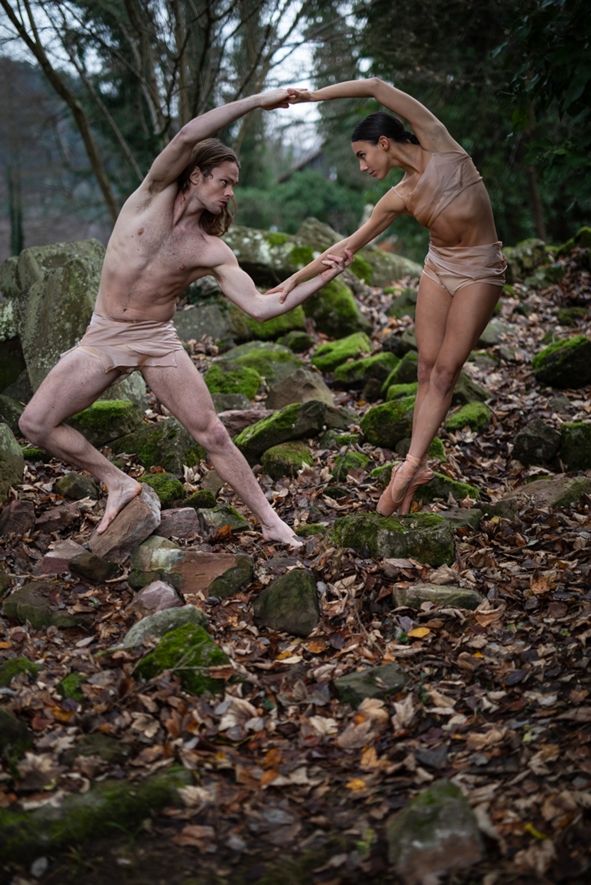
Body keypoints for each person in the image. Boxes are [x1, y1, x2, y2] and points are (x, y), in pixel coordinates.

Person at [18, 89, 349, 547]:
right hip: (104, 335)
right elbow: (191, 133)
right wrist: (259, 102)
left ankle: (271, 521)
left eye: (234, 185)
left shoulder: (211, 249)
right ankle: (117, 481)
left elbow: (261, 307)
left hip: (157, 341)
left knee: (210, 431)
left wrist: (323, 276)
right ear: (196, 175)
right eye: (225, 181)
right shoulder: (148, 196)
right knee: (35, 424)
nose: (231, 192)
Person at [279, 78, 506, 516]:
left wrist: (312, 96)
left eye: (363, 155)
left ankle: (409, 468)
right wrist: (292, 280)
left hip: (480, 269)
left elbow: (377, 87)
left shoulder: (441, 146)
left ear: (384, 142)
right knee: (424, 367)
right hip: (438, 268)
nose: (362, 167)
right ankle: (414, 472)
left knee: (445, 370)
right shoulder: (398, 196)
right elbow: (345, 247)